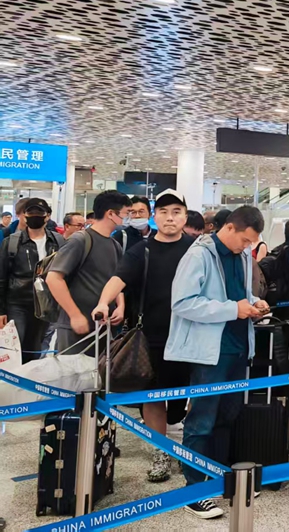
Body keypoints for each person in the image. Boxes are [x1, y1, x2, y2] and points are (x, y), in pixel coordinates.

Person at [166, 205, 269, 518]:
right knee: (202, 419)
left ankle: (218, 477)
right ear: (230, 228)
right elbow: (183, 302)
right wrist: (232, 310)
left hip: (238, 346)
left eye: (251, 242)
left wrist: (255, 303)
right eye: (245, 240)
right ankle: (194, 489)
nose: (247, 246)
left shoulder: (241, 256)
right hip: (210, 352)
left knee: (227, 416)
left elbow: (239, 294)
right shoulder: (199, 255)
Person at [91, 190, 193, 483]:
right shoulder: (141, 250)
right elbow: (118, 278)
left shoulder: (197, 248)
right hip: (151, 337)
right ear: (154, 216)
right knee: (153, 397)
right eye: (163, 212)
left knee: (191, 396)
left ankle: (192, 449)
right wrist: (103, 302)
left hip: (192, 336)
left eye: (176, 211)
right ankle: (161, 451)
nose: (170, 217)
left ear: (185, 216)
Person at [45, 190, 129, 355]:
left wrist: (120, 306)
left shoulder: (115, 245)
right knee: (71, 371)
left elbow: (116, 279)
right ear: (111, 214)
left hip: (103, 325)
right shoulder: (80, 240)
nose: (128, 218)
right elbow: (53, 278)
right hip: (75, 326)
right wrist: (75, 315)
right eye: (126, 213)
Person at [0, 198, 65, 360]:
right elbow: (2, 277)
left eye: (39, 213)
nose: (34, 216)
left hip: (45, 304)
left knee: (36, 347)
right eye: (30, 212)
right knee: (13, 348)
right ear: (24, 215)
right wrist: (1, 310)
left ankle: (30, 375)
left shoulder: (58, 242)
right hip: (17, 302)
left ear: (47, 216)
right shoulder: (12, 242)